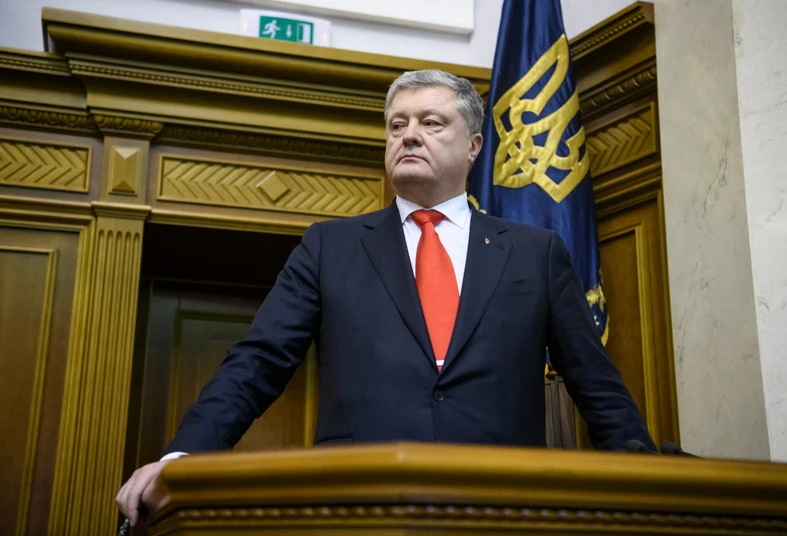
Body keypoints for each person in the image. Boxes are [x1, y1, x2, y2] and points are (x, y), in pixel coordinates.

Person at [116, 69, 655, 526]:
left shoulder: (536, 252)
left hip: (504, 507)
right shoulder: (329, 246)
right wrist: (183, 456)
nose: (409, 136)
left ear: (474, 146)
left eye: (431, 123)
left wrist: (649, 481)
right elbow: (257, 362)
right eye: (397, 125)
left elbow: (595, 382)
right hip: (360, 506)